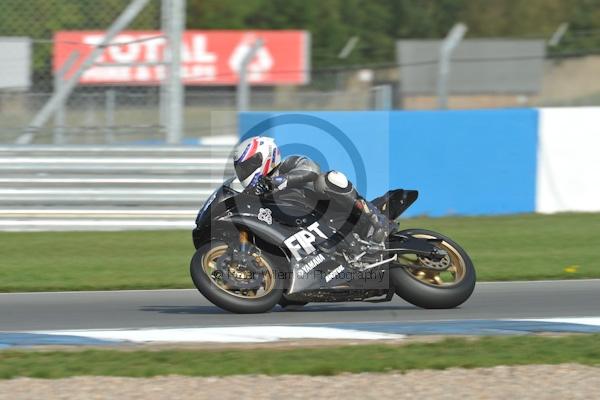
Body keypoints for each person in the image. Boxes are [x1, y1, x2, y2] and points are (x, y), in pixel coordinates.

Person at [232, 136, 392, 243]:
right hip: (306, 233)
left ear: (263, 157)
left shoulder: (288, 163)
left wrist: (277, 181)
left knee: (328, 179)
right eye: (242, 169)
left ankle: (375, 218)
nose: (244, 172)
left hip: (331, 212)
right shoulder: (257, 192)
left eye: (247, 166)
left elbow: (311, 169)